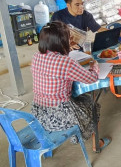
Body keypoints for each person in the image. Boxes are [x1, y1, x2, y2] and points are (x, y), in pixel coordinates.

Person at [30, 21, 111, 152]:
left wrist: (65, 49)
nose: (71, 39)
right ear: (61, 41)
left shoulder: (36, 56)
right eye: (68, 37)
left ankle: (75, 135)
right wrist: (94, 66)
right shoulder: (65, 62)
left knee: (79, 98)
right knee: (93, 105)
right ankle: (95, 144)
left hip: (39, 114)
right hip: (61, 115)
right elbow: (91, 78)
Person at [51, 0, 121, 37]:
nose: (81, 7)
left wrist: (118, 33)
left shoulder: (86, 15)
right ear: (68, 5)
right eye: (77, 5)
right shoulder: (58, 16)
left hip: (81, 48)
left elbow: (99, 29)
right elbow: (53, 37)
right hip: (63, 49)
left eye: (82, 4)